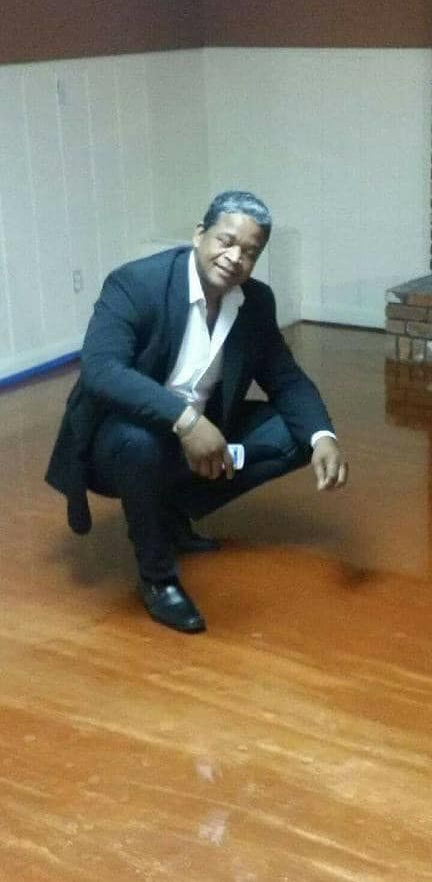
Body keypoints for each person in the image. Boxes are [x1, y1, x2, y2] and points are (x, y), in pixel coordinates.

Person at [46, 191, 348, 634]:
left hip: (201, 430)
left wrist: (325, 436)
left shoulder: (255, 302)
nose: (234, 258)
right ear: (199, 234)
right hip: (119, 441)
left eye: (249, 251)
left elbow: (286, 379)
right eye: (226, 240)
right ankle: (157, 578)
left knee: (295, 433)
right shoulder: (136, 284)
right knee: (138, 442)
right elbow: (101, 370)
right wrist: (186, 421)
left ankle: (171, 510)